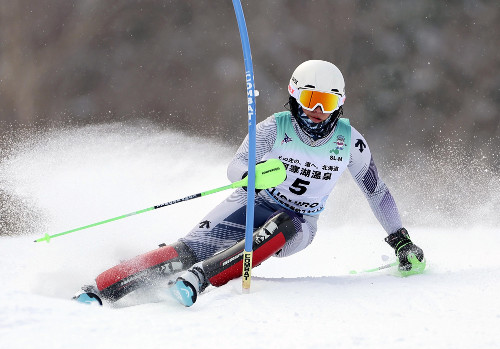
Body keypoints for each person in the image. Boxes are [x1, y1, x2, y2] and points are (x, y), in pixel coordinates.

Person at [73, 60, 425, 307]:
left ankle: (200, 279)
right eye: (310, 99)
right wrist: (249, 177)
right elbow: (237, 165)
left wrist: (400, 239)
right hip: (252, 201)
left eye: (328, 102)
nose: (318, 110)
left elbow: (376, 191)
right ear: (295, 95)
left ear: (340, 104)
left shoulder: (351, 141)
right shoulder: (274, 127)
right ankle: (101, 289)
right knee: (186, 250)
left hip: (299, 223)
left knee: (283, 224)